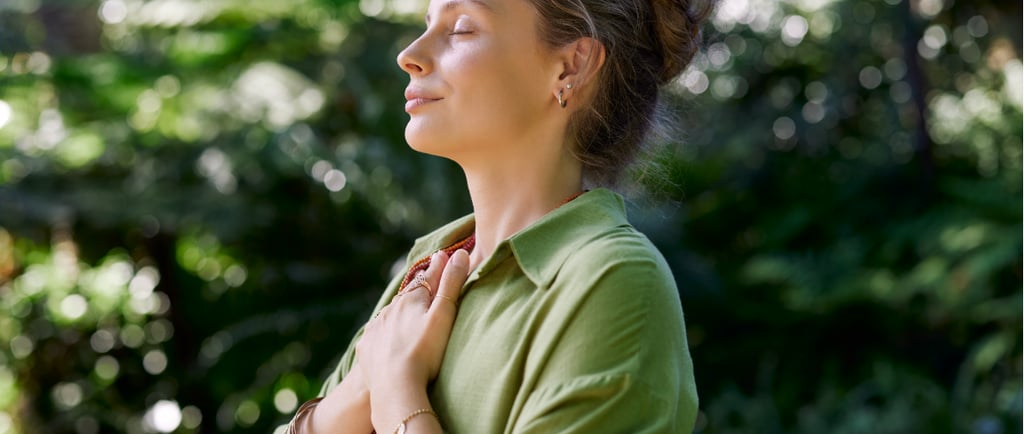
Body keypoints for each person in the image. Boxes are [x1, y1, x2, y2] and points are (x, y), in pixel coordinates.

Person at [281, 0, 713, 432]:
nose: (408, 55)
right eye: (428, 24)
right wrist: (360, 389)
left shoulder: (612, 278)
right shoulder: (426, 272)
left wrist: (397, 390)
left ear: (570, 67)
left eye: (461, 28)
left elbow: (393, 386)